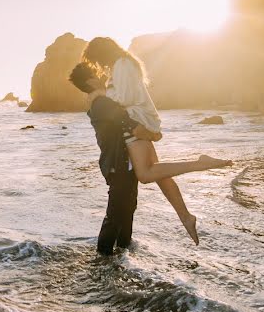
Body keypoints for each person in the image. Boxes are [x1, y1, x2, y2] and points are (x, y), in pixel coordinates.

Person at [82, 37, 233, 245]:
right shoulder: (123, 64)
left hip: (137, 119)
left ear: (103, 53)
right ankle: (186, 217)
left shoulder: (122, 64)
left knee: (144, 174)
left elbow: (124, 98)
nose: (99, 65)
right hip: (141, 118)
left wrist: (101, 93)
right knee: (160, 174)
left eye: (97, 59)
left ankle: (201, 163)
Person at [69, 62, 156, 255]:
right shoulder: (102, 104)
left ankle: (123, 253)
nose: (104, 74)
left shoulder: (101, 101)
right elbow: (129, 121)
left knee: (128, 207)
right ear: (91, 80)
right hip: (118, 164)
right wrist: (155, 134)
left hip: (125, 162)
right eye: (97, 72)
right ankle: (103, 259)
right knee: (116, 213)